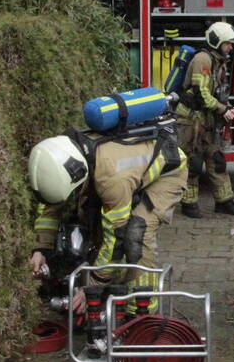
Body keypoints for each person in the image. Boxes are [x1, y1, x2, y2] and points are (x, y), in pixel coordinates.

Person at [27, 129, 186, 312]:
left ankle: (142, 311)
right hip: (123, 170)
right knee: (91, 219)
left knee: (137, 233)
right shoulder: (61, 155)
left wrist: (92, 288)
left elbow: (115, 237)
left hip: (168, 170)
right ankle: (111, 278)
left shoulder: (111, 179)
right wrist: (41, 249)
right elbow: (51, 207)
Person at [175, 21, 234, 218]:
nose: (231, 47)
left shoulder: (219, 61)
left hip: (207, 120)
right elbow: (201, 93)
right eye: (228, 43)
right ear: (217, 41)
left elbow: (218, 92)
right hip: (191, 121)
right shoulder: (202, 60)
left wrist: (226, 106)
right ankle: (189, 204)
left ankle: (224, 201)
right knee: (193, 163)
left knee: (217, 161)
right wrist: (222, 109)